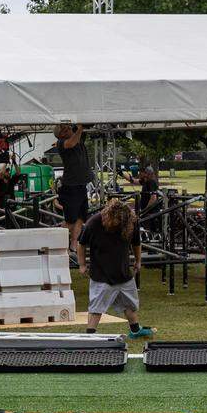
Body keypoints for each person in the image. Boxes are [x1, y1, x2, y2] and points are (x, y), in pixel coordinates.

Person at [77, 197, 153, 340]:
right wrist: (82, 264)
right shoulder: (94, 223)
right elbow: (81, 244)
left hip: (123, 272)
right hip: (101, 273)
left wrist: (138, 261)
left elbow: (136, 243)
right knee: (96, 306)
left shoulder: (130, 222)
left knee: (129, 303)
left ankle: (135, 329)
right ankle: (90, 334)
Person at [54, 124, 93, 252]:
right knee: (70, 220)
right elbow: (71, 143)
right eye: (66, 129)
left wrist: (80, 127)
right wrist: (80, 128)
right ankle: (53, 242)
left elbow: (79, 133)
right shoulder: (62, 143)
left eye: (69, 127)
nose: (69, 129)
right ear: (62, 134)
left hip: (80, 185)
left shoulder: (78, 137)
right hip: (71, 187)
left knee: (81, 217)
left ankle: (73, 245)